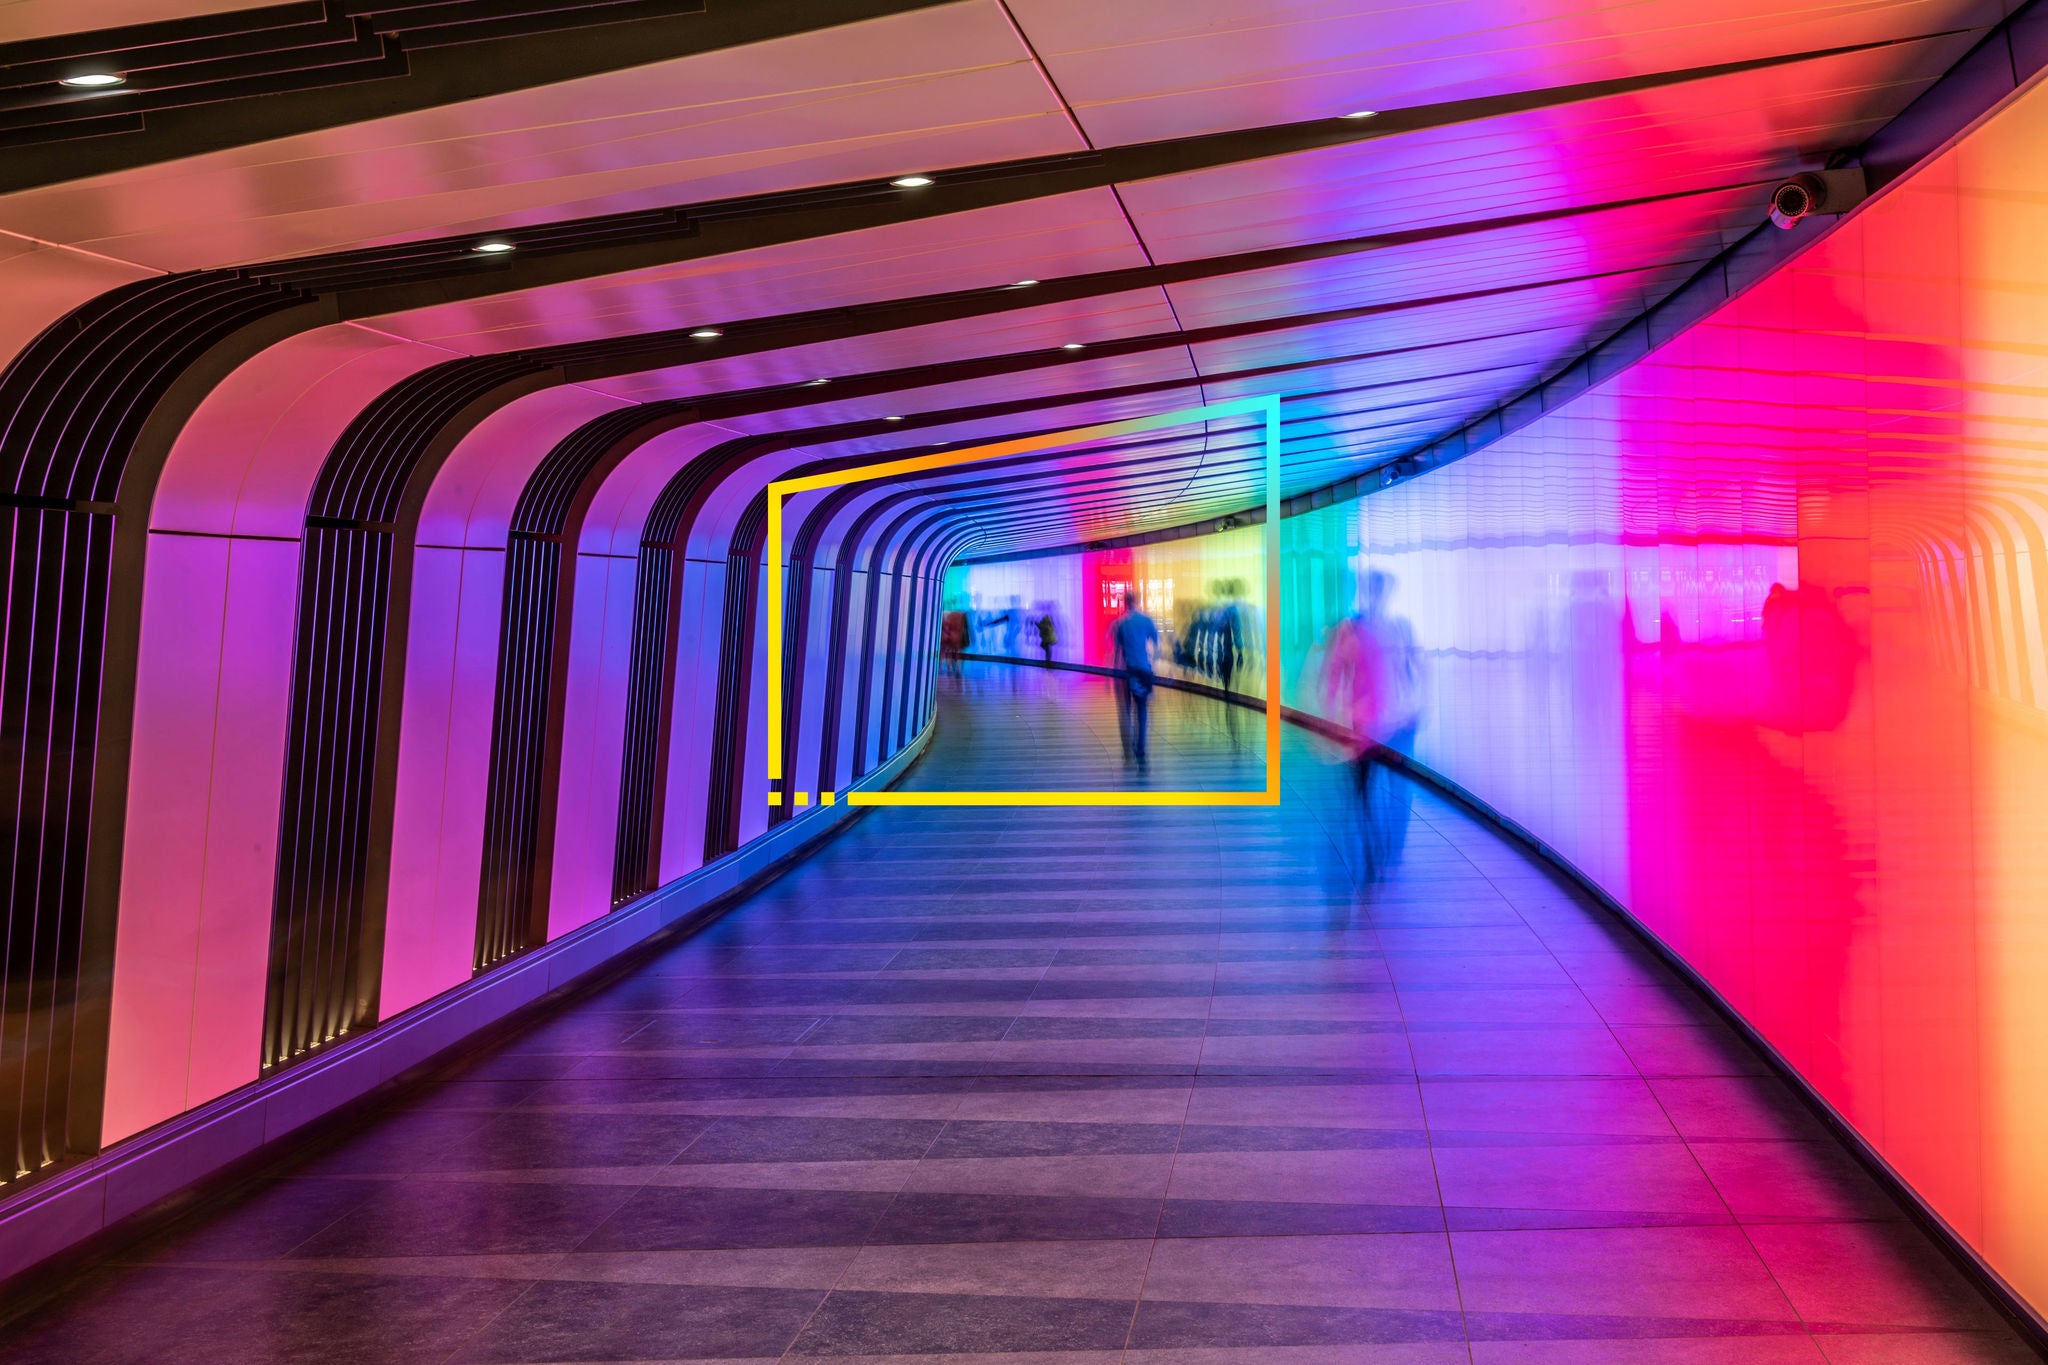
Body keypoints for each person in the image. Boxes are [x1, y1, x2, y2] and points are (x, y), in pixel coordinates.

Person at [1319, 569, 1422, 881]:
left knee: (1382, 789)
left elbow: (1413, 671)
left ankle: (1383, 848)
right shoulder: (1354, 629)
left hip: (1389, 724)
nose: (1377, 595)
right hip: (1367, 726)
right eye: (1374, 589)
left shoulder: (1394, 629)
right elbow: (1335, 675)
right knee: (1367, 790)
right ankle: (1375, 849)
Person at [1111, 591, 1160, 765]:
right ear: (1137, 601)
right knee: (1142, 709)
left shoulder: (1120, 624)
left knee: (1127, 709)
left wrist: (1113, 677)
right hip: (1144, 670)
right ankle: (1141, 746)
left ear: (1124, 602)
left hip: (1127, 671)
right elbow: (1156, 644)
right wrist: (1152, 664)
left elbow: (1116, 653)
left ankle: (1131, 740)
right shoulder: (1146, 621)